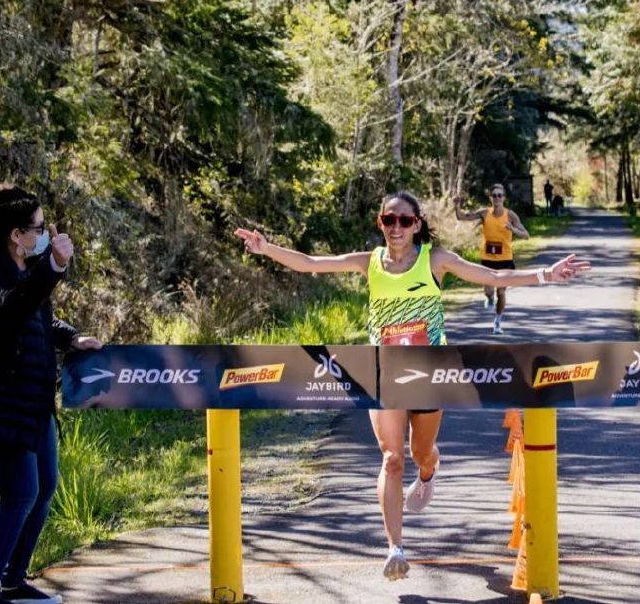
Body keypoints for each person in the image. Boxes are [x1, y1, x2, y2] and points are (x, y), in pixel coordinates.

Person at [236, 191, 586, 581]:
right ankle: (395, 548)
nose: (397, 227)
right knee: (391, 457)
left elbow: (494, 276)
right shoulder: (369, 263)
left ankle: (429, 471)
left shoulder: (435, 260)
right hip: (384, 373)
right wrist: (267, 248)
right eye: (390, 220)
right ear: (380, 223)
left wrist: (545, 274)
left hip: (429, 374)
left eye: (405, 220)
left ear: (417, 224)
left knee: (421, 452)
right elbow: (311, 264)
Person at [0, 183, 102, 604]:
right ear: (16, 234)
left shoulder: (22, 266)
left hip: (31, 401)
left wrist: (71, 338)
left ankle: (13, 582)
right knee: (18, 495)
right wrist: (52, 266)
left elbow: (35, 316)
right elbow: (10, 308)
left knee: (44, 486)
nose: (46, 232)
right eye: (39, 227)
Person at [454, 184, 531, 334]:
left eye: (499, 195)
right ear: (490, 197)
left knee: (501, 292)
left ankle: (497, 321)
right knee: (489, 291)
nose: (497, 198)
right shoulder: (484, 213)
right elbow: (462, 217)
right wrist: (457, 205)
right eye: (494, 195)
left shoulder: (510, 216)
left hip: (505, 260)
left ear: (504, 198)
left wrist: (513, 229)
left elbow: (526, 235)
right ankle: (489, 297)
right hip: (487, 259)